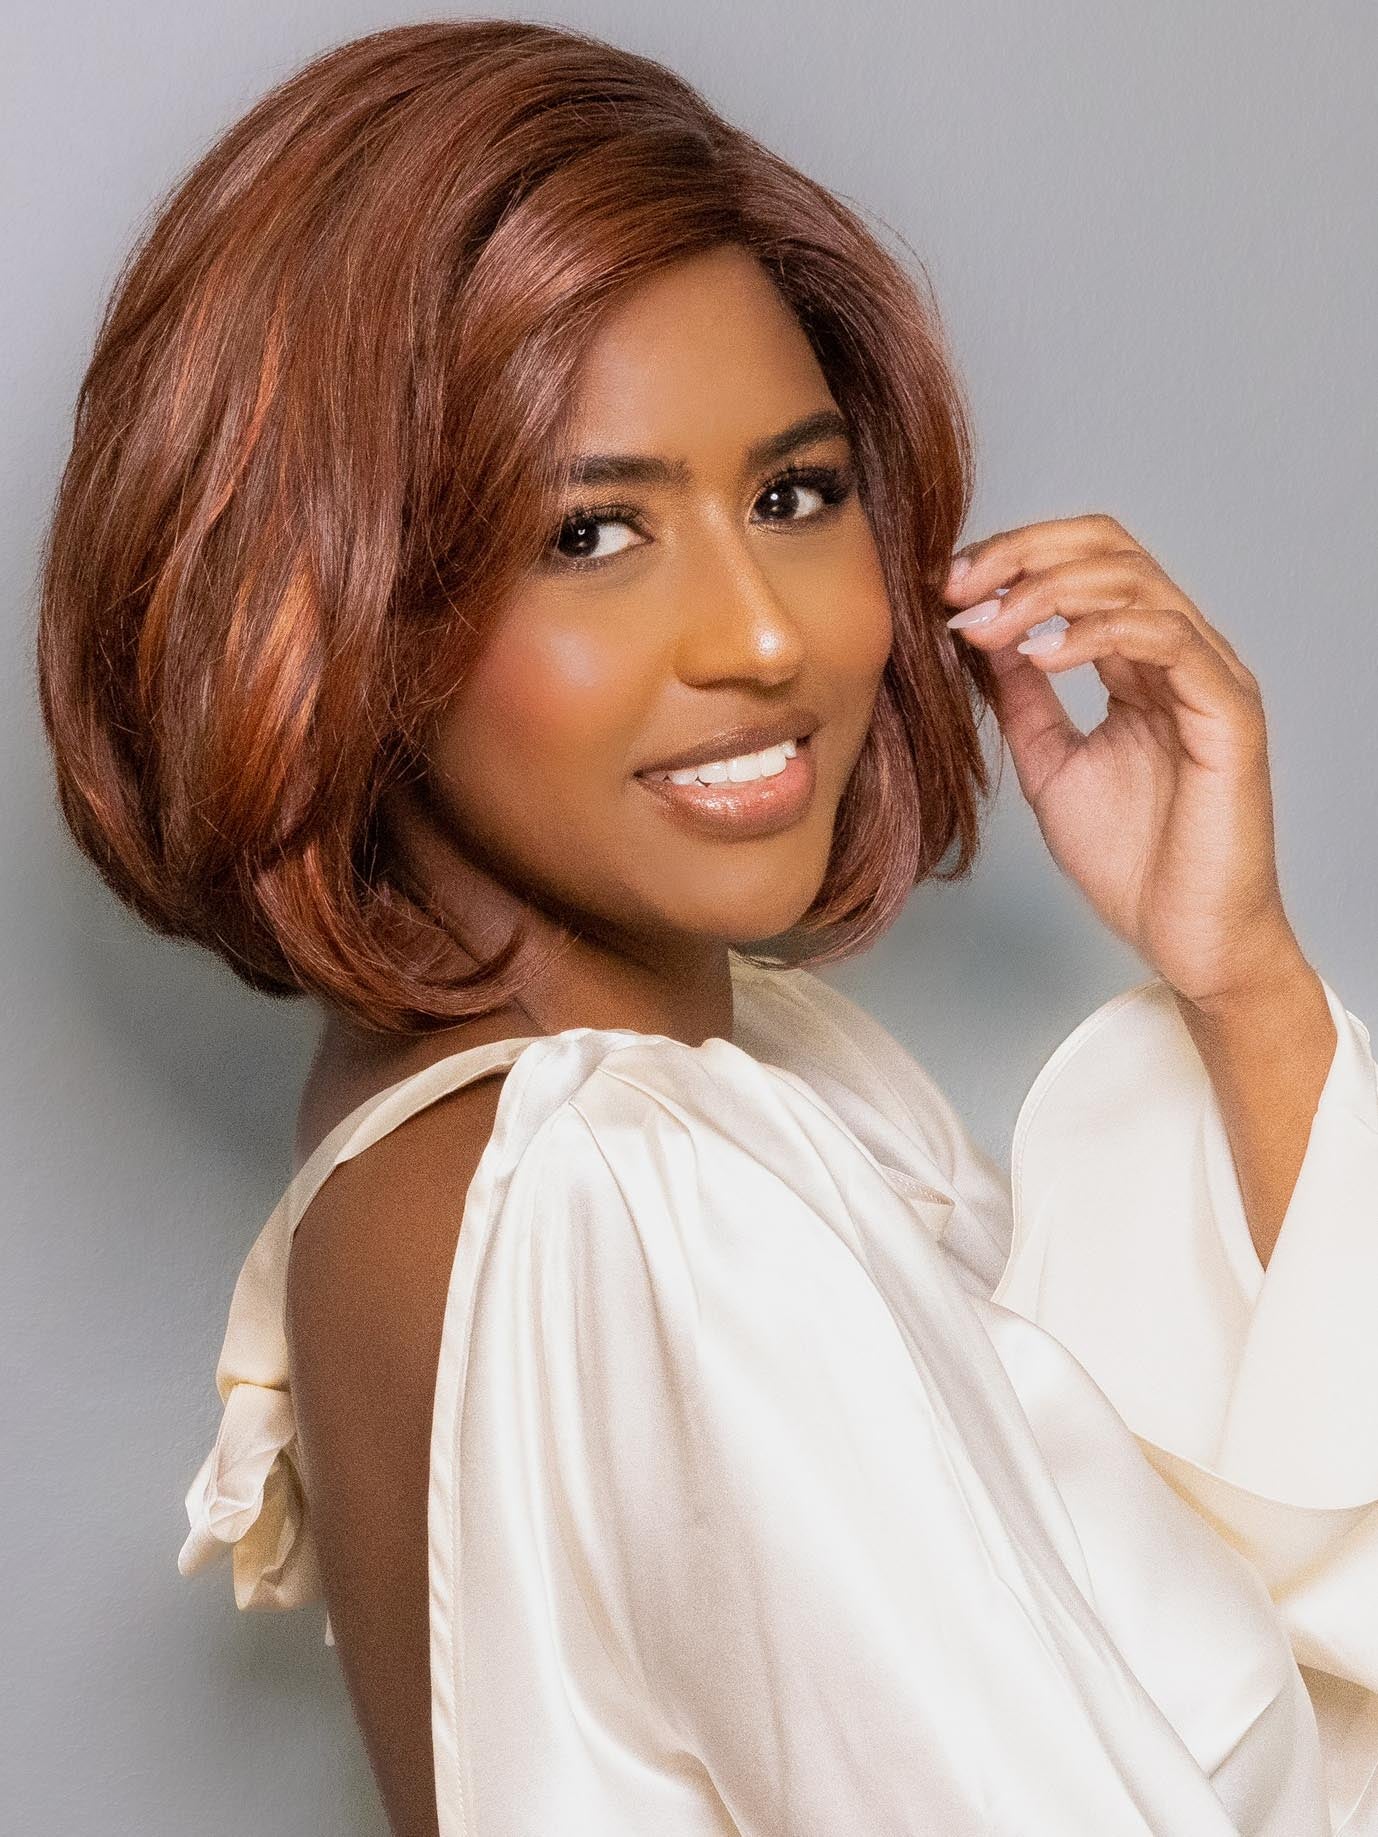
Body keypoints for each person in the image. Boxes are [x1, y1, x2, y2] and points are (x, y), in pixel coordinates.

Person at [34, 19, 1377, 1837]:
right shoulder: (637, 1200)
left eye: (792, 496)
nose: (761, 635)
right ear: (333, 602)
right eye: (592, 534)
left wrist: (1237, 977)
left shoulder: (561, 1122)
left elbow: (1181, 1581)